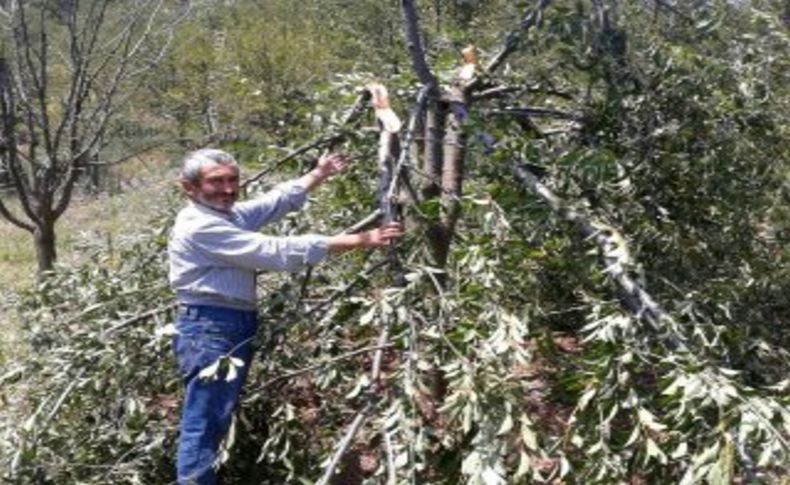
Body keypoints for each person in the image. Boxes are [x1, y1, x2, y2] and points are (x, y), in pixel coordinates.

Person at [168, 148, 403, 484]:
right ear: (189, 188)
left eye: (233, 180)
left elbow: (274, 202)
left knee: (214, 416)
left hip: (226, 325)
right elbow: (273, 251)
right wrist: (359, 239)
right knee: (205, 420)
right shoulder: (201, 226)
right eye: (216, 182)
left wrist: (319, 173)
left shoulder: (225, 214)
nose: (229, 189)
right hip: (210, 329)